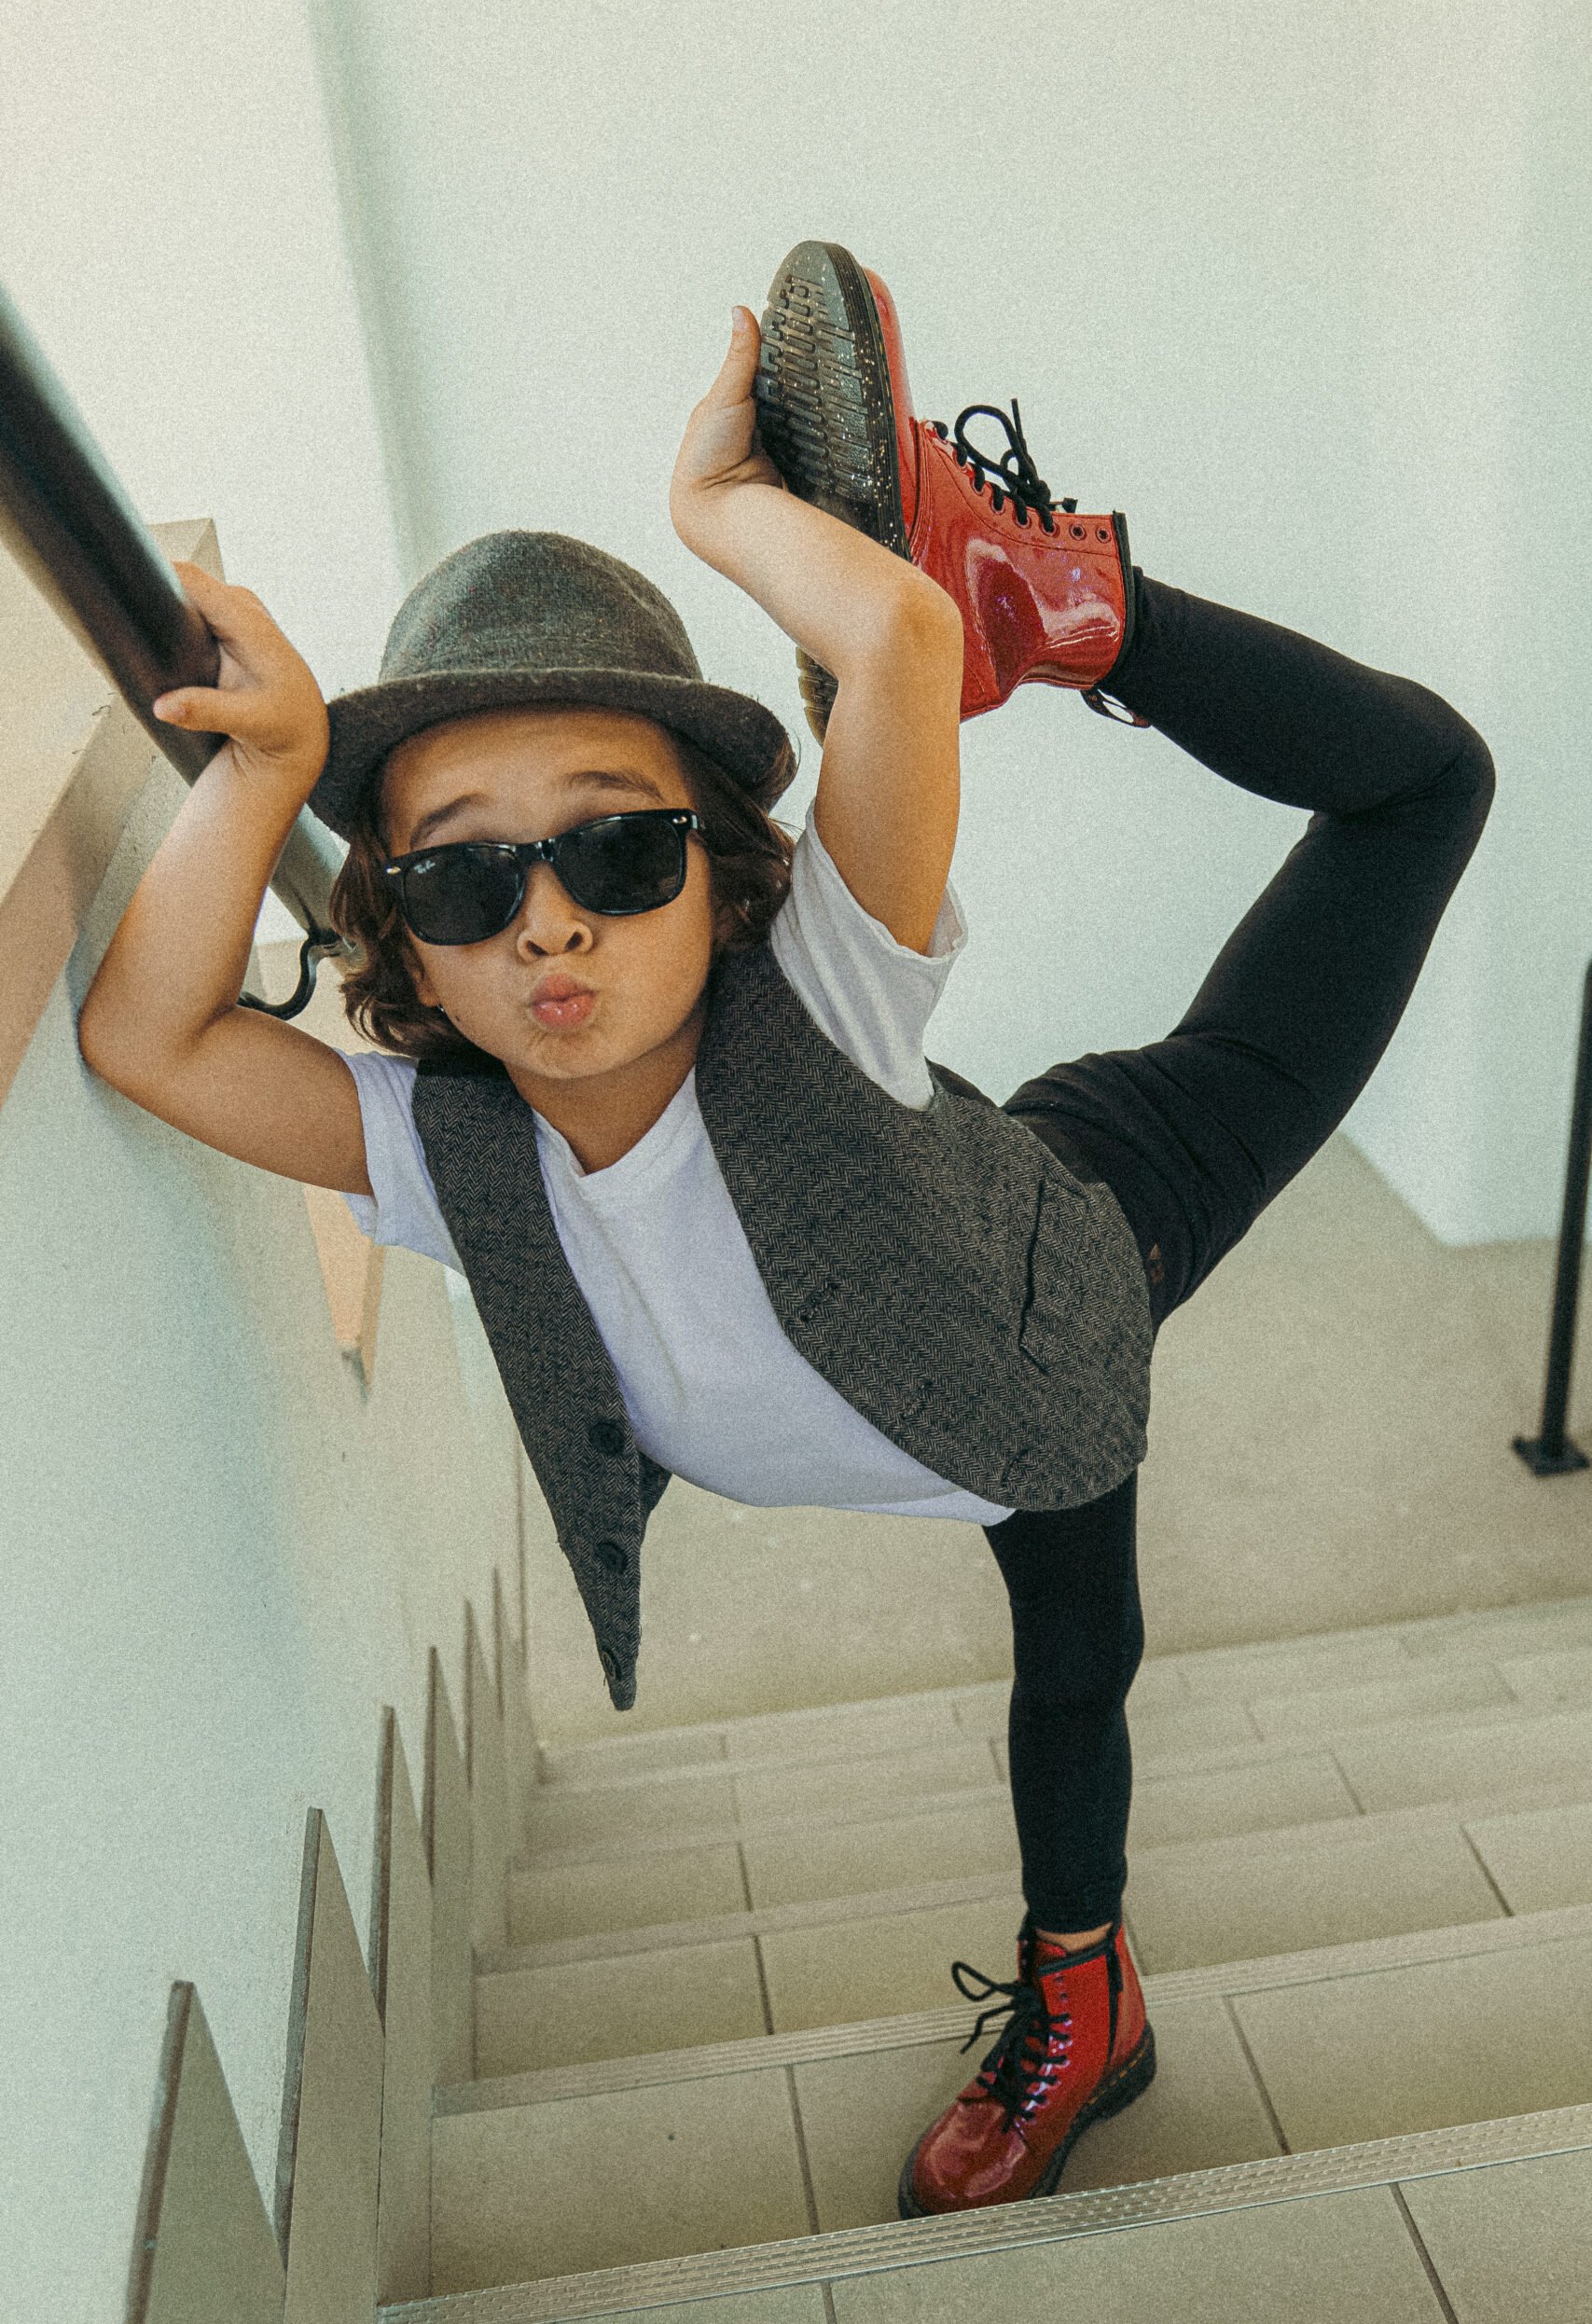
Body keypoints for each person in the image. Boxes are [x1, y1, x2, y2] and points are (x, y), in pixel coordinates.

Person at [76, 242, 1494, 2221]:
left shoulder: (816, 985)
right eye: (470, 879)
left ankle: (1072, 599)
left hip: (1057, 1265)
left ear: (723, 881)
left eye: (616, 845)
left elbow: (895, 655)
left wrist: (716, 511)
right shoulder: (442, 1147)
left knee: (1426, 789)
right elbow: (149, 1034)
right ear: (398, 931)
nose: (551, 920)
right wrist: (275, 772)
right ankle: (1002, 607)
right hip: (945, 1191)